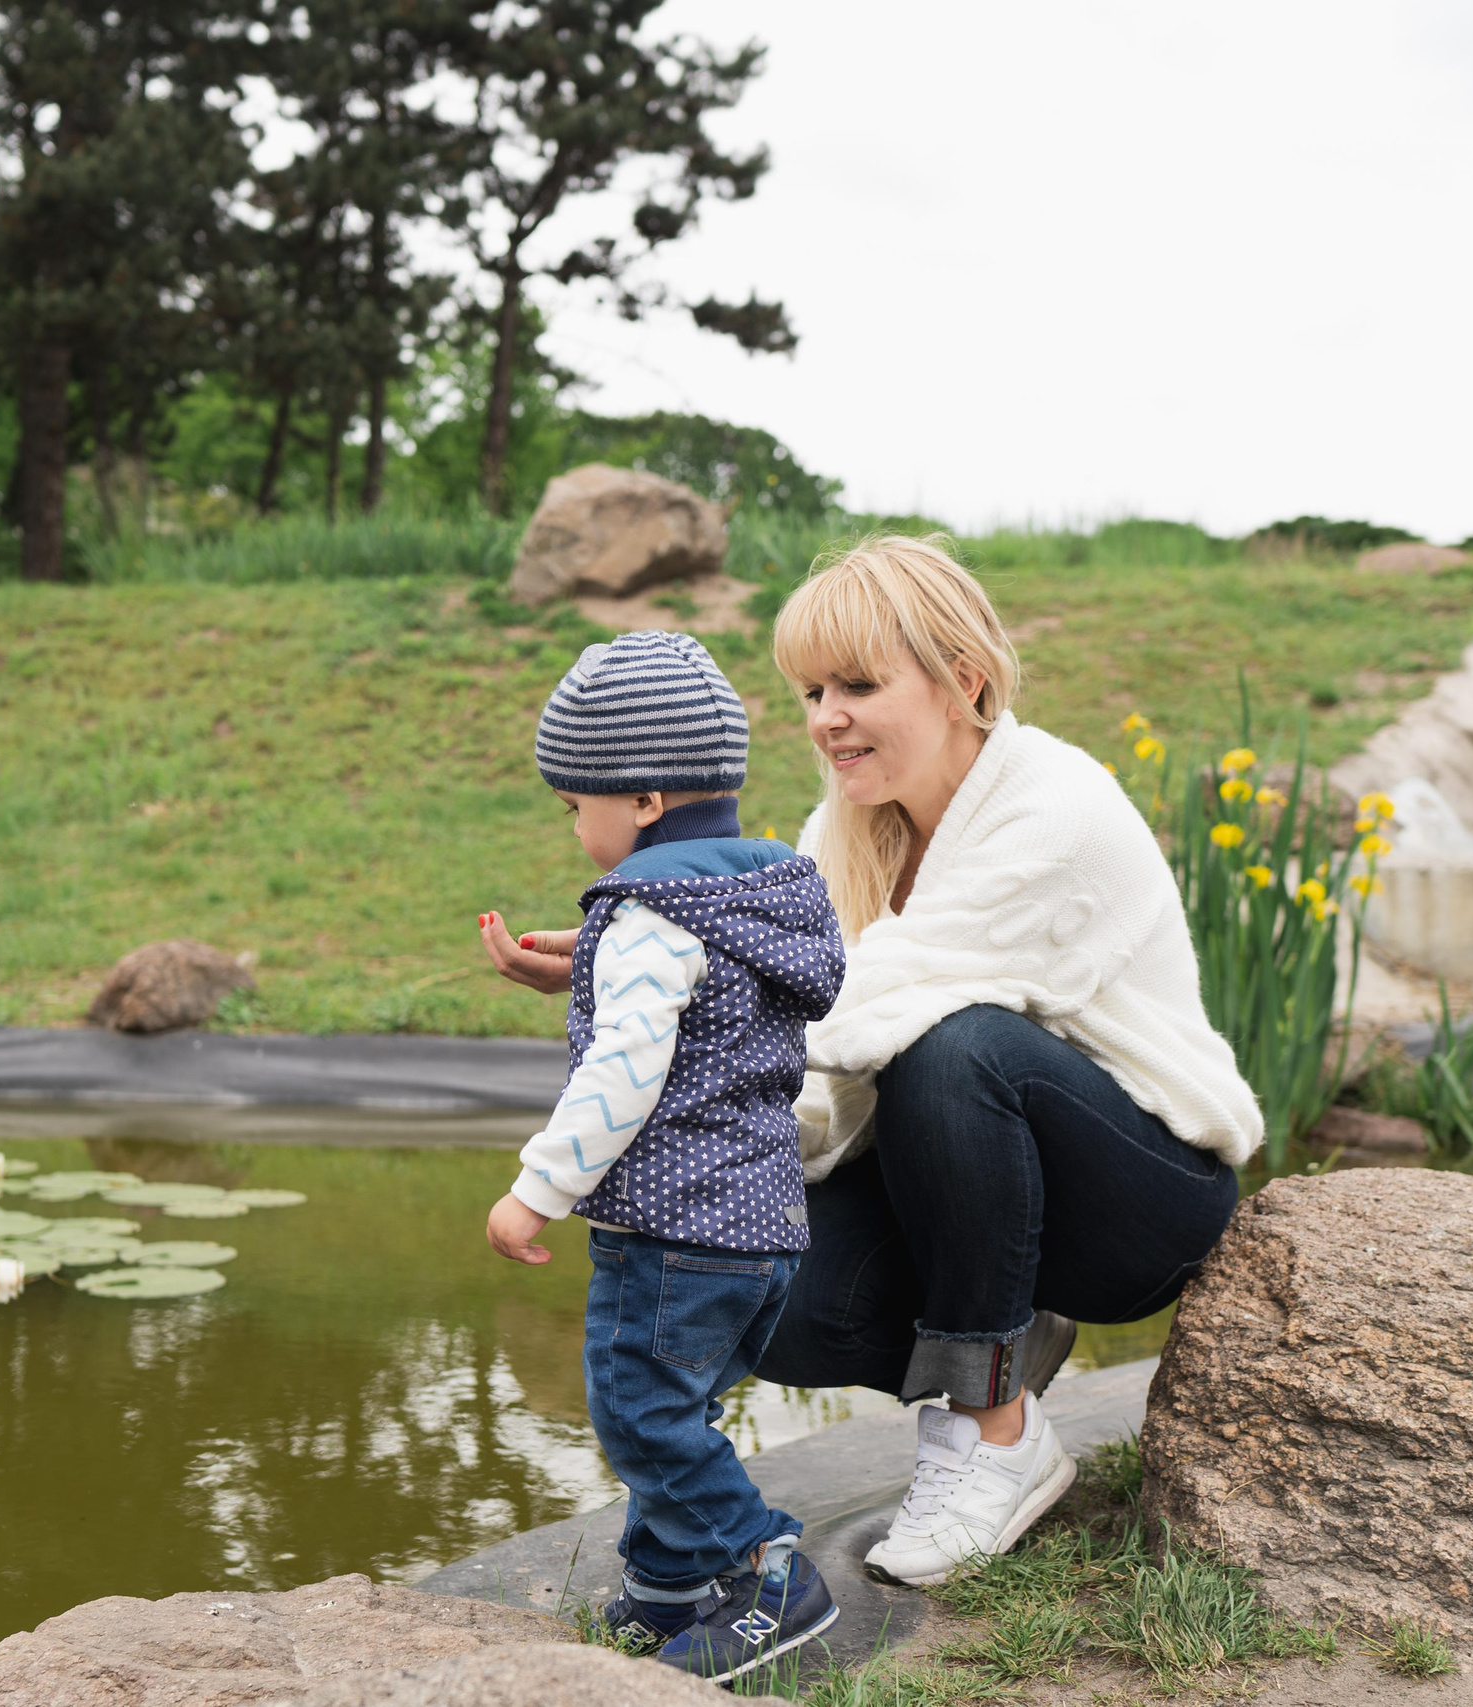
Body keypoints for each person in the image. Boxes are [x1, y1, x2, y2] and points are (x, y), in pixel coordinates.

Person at [755, 536, 1253, 1587]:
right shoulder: (839, 833)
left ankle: (993, 1433)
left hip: (1139, 1197)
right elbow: (803, 1047)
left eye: (857, 685)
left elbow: (865, 1008)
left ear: (963, 684)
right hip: (969, 1183)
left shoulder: (1054, 806)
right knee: (768, 1294)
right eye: (811, 691)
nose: (826, 717)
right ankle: (1008, 1346)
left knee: (951, 1039)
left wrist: (713, 988)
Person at [477, 629, 849, 1685]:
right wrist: (594, 956)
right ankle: (667, 1587)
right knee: (673, 1410)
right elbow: (704, 1001)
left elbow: (623, 1070)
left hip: (675, 1231)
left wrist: (537, 1190)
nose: (574, 825)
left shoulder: (650, 914)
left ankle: (767, 1569)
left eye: (575, 803)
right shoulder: (759, 892)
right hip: (762, 1226)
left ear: (643, 799)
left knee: (637, 1410)